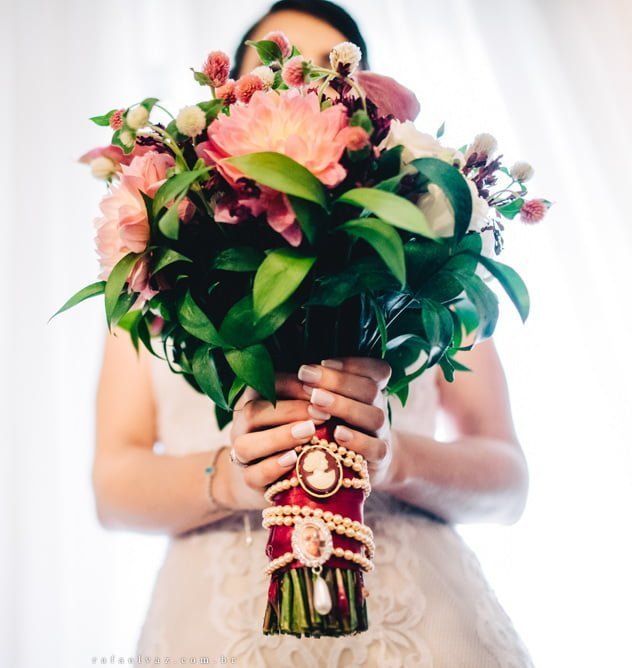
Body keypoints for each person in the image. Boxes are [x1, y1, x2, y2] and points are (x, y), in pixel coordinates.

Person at [91, 1, 534, 665]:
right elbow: (113, 484)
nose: (296, 86)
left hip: (425, 623)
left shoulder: (421, 250)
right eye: (272, 70)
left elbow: (507, 480)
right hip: (216, 628)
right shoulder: (160, 259)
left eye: (327, 74)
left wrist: (396, 457)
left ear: (365, 108)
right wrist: (230, 480)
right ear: (224, 106)